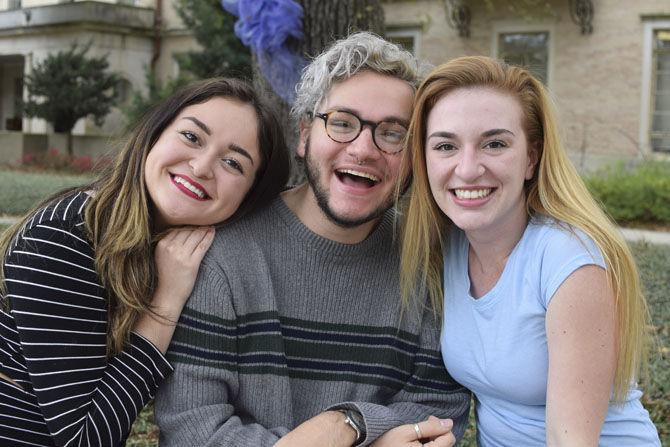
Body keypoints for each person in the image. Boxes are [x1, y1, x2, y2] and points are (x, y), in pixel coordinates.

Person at [155, 32, 470, 447]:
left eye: (393, 133)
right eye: (342, 123)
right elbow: (192, 428)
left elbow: (437, 414)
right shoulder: (222, 255)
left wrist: (347, 423)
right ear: (304, 135)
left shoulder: (429, 262)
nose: (363, 148)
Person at [0, 77, 290, 447]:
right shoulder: (67, 234)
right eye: (191, 137)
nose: (202, 166)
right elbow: (85, 439)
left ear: (249, 195)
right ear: (154, 135)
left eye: (233, 162)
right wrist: (164, 306)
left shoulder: (189, 257)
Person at [399, 56, 661, 446]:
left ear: (531, 157)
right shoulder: (446, 246)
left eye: (495, 143)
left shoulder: (569, 262)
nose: (468, 169)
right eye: (446, 146)